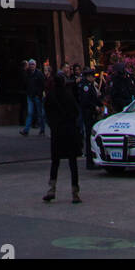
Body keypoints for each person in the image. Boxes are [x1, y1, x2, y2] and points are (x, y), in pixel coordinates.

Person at [42, 71, 83, 204]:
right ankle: (75, 192)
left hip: (57, 132)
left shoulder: (50, 96)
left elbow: (47, 114)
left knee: (55, 161)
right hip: (70, 131)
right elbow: (76, 112)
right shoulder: (68, 95)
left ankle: (52, 189)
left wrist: (53, 125)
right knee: (72, 162)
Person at [75, 67, 102, 170]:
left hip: (90, 113)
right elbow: (86, 101)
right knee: (90, 137)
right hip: (88, 114)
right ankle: (90, 162)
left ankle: (92, 160)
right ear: (89, 76)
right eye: (92, 76)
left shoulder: (88, 84)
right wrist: (94, 106)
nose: (94, 79)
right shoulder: (85, 86)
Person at [20, 59, 46, 136]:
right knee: (30, 113)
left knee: (39, 113)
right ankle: (26, 130)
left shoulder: (39, 74)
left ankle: (42, 129)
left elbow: (42, 85)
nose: (31, 66)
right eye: (30, 64)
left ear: (35, 65)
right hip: (30, 96)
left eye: (33, 64)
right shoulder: (27, 73)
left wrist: (39, 94)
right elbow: (25, 83)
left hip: (37, 96)